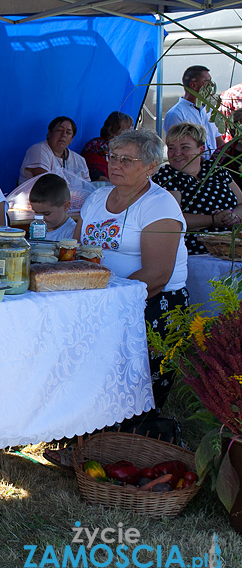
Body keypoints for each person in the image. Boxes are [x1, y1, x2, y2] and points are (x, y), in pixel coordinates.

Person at [77, 129, 188, 408]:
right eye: (113, 157)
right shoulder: (96, 199)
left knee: (134, 387)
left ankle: (134, 435)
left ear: (151, 166)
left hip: (151, 302)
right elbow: (75, 251)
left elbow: (158, 275)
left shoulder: (159, 204)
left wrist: (107, 299)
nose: (115, 165)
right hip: (99, 296)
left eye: (127, 160)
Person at [152, 122, 242, 255]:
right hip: (196, 252)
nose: (177, 153)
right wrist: (213, 220)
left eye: (185, 147)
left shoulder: (215, 170)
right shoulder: (168, 176)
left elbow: (241, 202)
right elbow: (172, 219)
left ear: (201, 149)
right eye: (171, 148)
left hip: (231, 247)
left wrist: (232, 216)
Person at [163, 65, 223, 156]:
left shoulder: (209, 111)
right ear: (193, 85)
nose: (211, 85)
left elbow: (219, 141)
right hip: (194, 168)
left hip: (213, 167)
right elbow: (177, 149)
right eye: (207, 82)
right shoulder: (176, 114)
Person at [18, 116, 90, 184]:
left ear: (72, 139)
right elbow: (46, 181)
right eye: (59, 130)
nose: (64, 135)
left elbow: (88, 188)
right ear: (49, 133)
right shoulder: (38, 150)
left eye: (68, 132)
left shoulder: (80, 160)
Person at [80, 111, 133, 182]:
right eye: (126, 131)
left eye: (131, 130)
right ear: (112, 130)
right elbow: (96, 176)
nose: (130, 135)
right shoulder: (96, 146)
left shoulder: (126, 150)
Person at [28, 174, 77, 241]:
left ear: (65, 206)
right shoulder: (37, 229)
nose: (41, 218)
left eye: (46, 213)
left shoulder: (73, 233)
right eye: (36, 212)